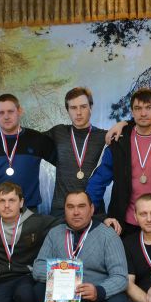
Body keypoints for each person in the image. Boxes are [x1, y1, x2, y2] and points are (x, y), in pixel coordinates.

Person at [32, 191, 131, 302]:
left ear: (91, 209)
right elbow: (38, 267)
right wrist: (65, 277)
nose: (76, 212)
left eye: (81, 206)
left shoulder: (108, 235)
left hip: (97, 296)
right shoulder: (54, 233)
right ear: (64, 210)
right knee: (40, 289)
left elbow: (120, 277)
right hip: (65, 295)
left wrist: (99, 291)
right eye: (70, 207)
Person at [87, 88, 151, 236]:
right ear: (132, 111)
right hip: (123, 224)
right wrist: (90, 215)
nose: (143, 113)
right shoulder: (119, 141)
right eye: (138, 108)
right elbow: (98, 180)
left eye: (149, 107)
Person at [44, 87, 107, 217]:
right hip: (61, 211)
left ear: (91, 107)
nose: (78, 112)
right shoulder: (58, 132)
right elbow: (29, 140)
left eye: (83, 107)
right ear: (67, 110)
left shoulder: (104, 137)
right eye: (73, 108)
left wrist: (123, 123)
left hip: (93, 211)